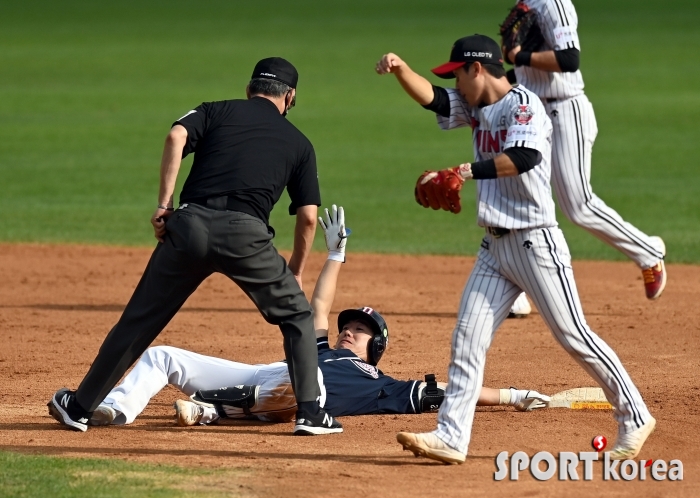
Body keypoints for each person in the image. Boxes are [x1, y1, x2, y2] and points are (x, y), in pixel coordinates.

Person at [375, 34, 655, 464]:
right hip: (494, 247)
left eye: (457, 74)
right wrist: (400, 69)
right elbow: (432, 99)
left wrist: (464, 171)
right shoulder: (475, 105)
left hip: (535, 242)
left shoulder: (525, 105)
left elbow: (524, 156)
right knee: (467, 338)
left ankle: (634, 415)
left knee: (574, 336)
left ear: (477, 69)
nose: (456, 85)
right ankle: (452, 437)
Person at [48, 57, 341, 436]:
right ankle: (311, 415)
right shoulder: (300, 143)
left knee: (139, 320)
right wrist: (297, 270)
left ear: (250, 89)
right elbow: (307, 217)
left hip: (188, 226)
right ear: (290, 96)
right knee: (298, 318)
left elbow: (175, 136)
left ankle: (80, 408)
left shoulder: (216, 110)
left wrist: (163, 205)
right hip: (246, 236)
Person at [84, 206, 550, 430]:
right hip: (270, 376)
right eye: (351, 326)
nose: (350, 331)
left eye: (362, 332)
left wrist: (514, 396)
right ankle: (119, 408)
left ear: (376, 350)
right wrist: (336, 254)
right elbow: (320, 308)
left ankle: (212, 409)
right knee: (164, 356)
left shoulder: (383, 384)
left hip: (289, 394)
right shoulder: (323, 350)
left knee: (299, 389)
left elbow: (453, 389)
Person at [501, 0, 666, 316]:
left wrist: (518, 55)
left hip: (566, 112)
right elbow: (526, 71)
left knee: (577, 205)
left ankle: (647, 252)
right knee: (521, 199)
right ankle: (512, 291)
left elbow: (568, 59)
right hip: (533, 113)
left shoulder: (554, 4)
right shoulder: (528, 3)